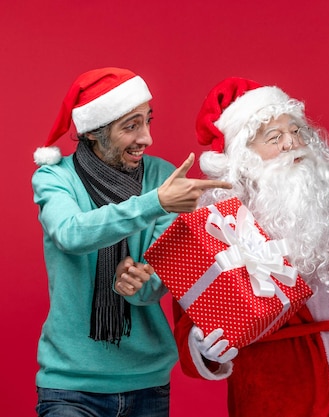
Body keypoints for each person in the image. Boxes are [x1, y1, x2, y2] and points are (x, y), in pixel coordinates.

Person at [172, 77, 329, 417]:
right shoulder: (216, 223)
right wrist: (202, 344)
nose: (292, 143)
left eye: (296, 131)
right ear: (245, 156)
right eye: (274, 137)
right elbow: (189, 321)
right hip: (275, 388)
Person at [32, 67, 231, 417]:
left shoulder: (160, 176)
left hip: (146, 384)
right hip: (70, 385)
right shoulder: (55, 177)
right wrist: (155, 202)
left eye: (147, 121)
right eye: (131, 126)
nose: (147, 138)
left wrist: (140, 284)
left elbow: (157, 281)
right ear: (94, 133)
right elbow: (70, 233)